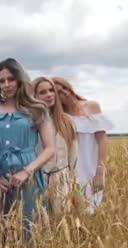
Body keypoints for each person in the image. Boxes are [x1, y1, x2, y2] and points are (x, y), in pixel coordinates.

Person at [0, 58, 55, 238]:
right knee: (1, 233)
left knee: (30, 231)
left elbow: (49, 148)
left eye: (11, 79)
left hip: (29, 180)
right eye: (2, 81)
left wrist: (27, 171)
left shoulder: (37, 109)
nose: (7, 84)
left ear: (20, 80)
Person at [52, 77, 114, 214]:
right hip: (68, 170)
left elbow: (102, 140)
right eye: (59, 93)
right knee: (69, 211)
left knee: (91, 209)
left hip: (90, 167)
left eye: (65, 88)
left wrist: (100, 171)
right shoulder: (59, 115)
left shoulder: (92, 106)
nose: (65, 93)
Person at [32, 77, 78, 214]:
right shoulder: (30, 122)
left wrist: (74, 185)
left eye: (51, 90)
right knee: (40, 223)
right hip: (37, 179)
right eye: (43, 92)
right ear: (33, 96)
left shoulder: (67, 121)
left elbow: (74, 156)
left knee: (61, 222)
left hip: (62, 178)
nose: (49, 94)